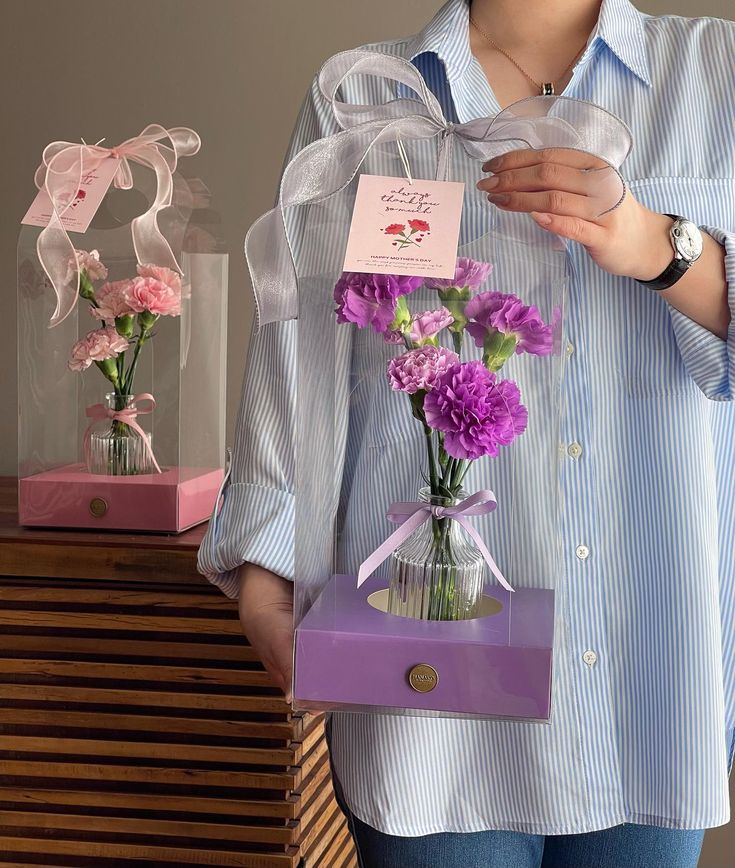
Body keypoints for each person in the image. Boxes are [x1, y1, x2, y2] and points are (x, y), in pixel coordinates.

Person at [198, 1, 735, 865]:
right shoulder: (365, 94)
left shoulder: (716, 69)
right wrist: (266, 570)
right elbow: (297, 346)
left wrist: (655, 243)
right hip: (424, 681)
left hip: (648, 664)